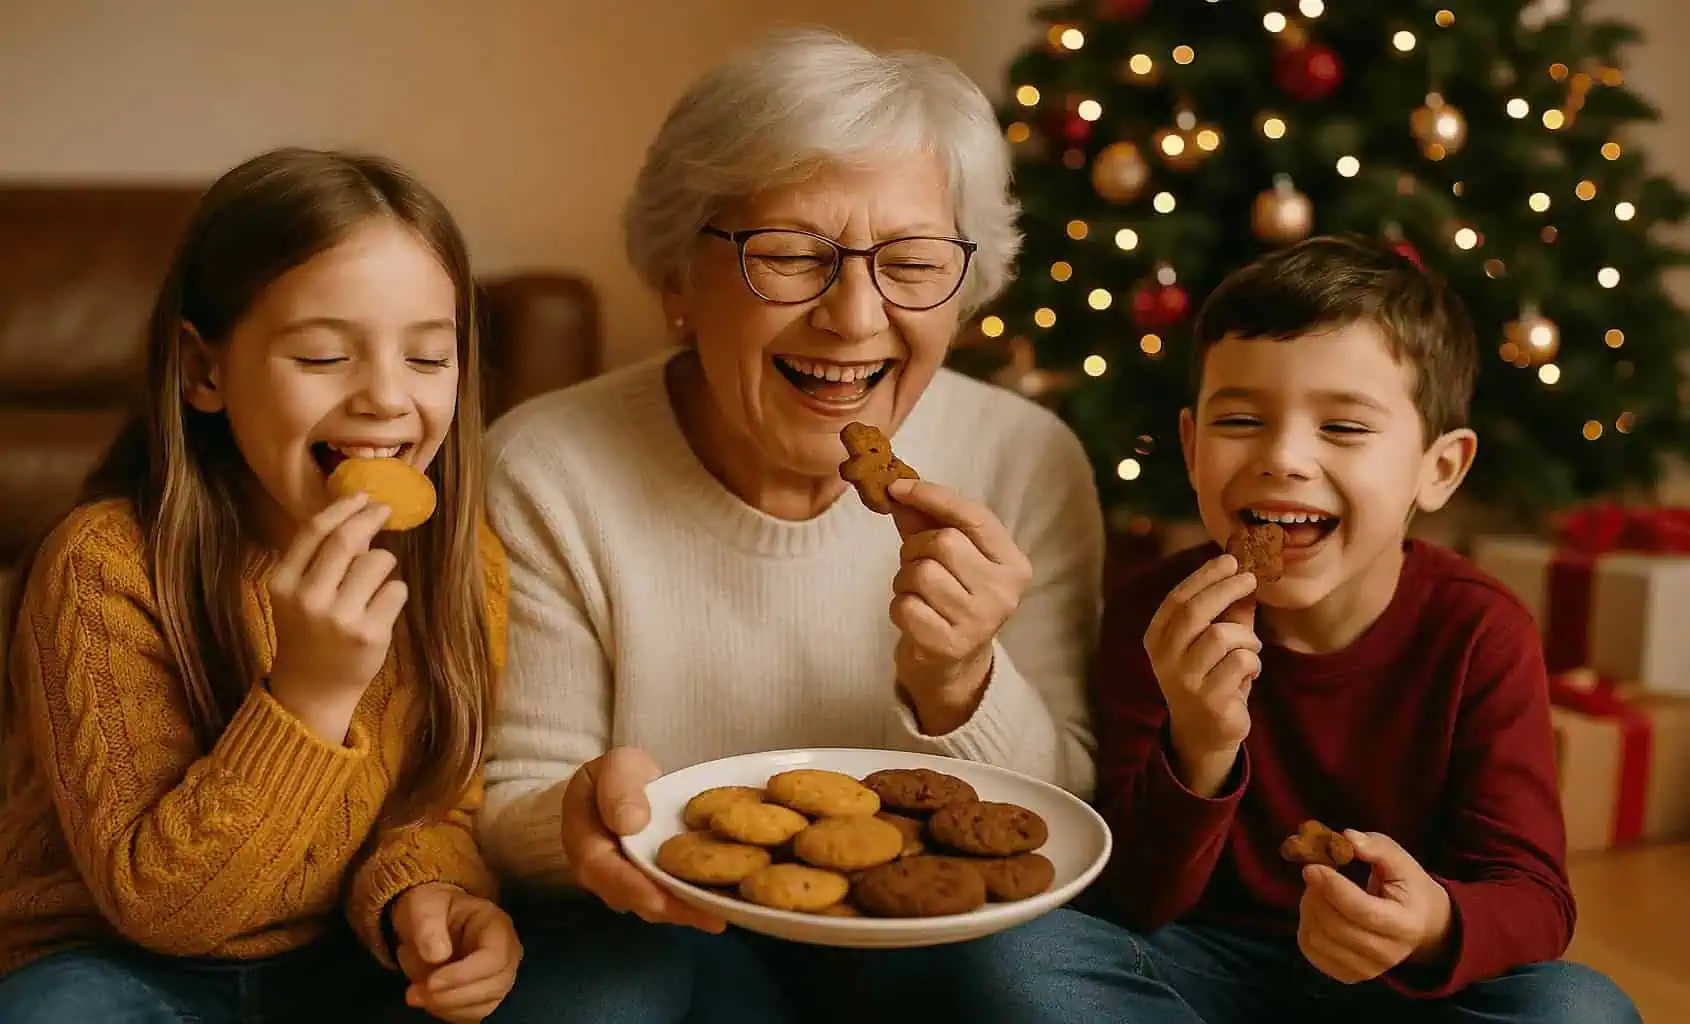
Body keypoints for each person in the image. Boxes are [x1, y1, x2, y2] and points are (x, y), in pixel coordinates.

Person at [477, 26, 1170, 1024]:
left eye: (913, 262)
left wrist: (958, 682)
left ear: (964, 289)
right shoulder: (546, 467)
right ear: (677, 278)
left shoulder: (1025, 457)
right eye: (792, 256)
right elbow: (518, 795)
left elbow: (1051, 814)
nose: (854, 316)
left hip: (950, 942)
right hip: (652, 922)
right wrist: (580, 814)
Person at [0, 148, 521, 1024]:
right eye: (323, 357)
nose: (389, 398)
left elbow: (434, 803)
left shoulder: (462, 563)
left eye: (430, 358)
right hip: (118, 961)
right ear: (205, 372)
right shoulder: (102, 567)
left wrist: (426, 898)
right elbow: (167, 912)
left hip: (338, 960)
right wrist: (310, 695)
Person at [1090, 235, 1641, 1022]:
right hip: (1195, 970)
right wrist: (1200, 749)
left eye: (1343, 429)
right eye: (1241, 419)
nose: (1283, 458)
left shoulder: (1480, 633)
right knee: (1029, 955)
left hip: (1398, 987)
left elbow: (1535, 898)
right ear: (1190, 446)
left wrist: (1431, 924)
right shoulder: (1159, 615)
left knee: (1580, 1009)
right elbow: (1130, 900)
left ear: (1439, 469)